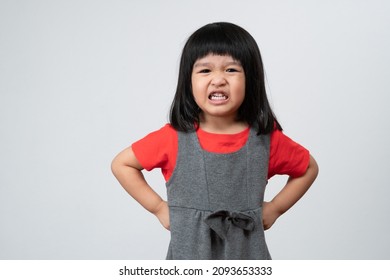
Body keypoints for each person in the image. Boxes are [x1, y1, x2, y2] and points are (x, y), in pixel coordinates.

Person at [111, 22, 319, 260]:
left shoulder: (264, 140)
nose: (218, 79)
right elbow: (122, 164)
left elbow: (308, 168)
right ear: (188, 81)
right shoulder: (173, 138)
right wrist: (158, 207)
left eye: (231, 70)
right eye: (205, 71)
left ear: (250, 79)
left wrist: (275, 208)